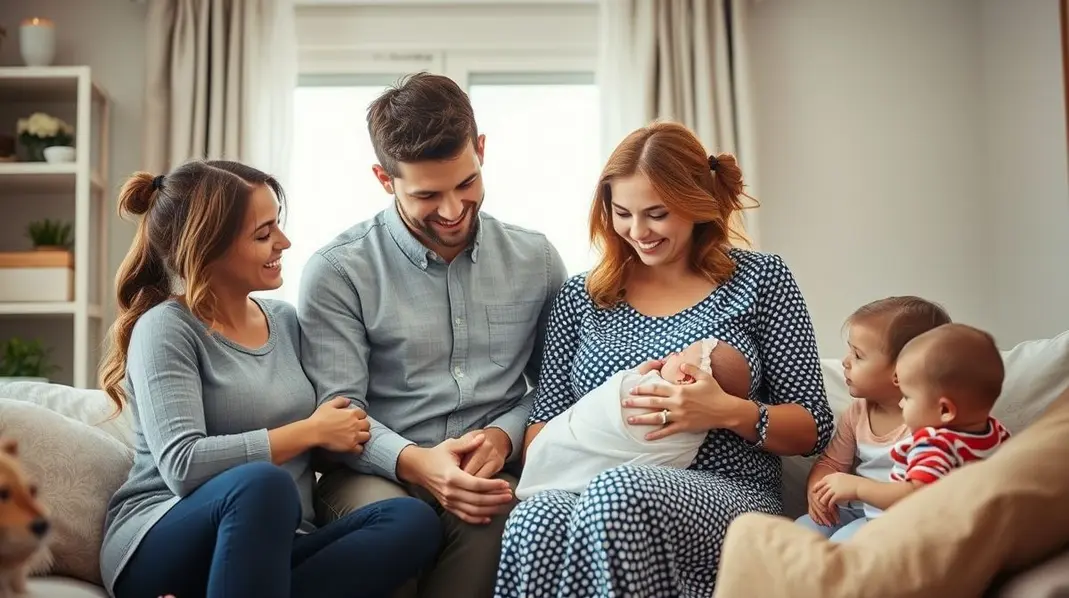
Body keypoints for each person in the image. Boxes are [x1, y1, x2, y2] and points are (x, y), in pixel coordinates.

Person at [493, 121, 836, 597]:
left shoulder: (759, 280)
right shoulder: (581, 297)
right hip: (589, 482)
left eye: (657, 214)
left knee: (620, 493)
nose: (639, 232)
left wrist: (726, 411)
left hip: (727, 491)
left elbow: (812, 425)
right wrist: (610, 416)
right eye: (623, 213)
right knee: (536, 518)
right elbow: (541, 432)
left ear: (697, 205)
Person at [98, 160, 441, 598]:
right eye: (263, 234)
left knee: (410, 521)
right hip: (161, 538)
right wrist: (310, 430)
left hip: (277, 546)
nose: (284, 242)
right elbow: (183, 466)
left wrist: (415, 453)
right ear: (209, 248)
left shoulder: (287, 322)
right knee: (265, 483)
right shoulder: (166, 328)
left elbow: (334, 431)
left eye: (277, 225)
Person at [296, 72, 568, 598]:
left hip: (490, 476)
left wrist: (504, 436)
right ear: (384, 178)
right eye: (427, 194)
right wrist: (417, 462)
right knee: (393, 529)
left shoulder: (538, 261)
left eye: (466, 184)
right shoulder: (338, 271)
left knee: (495, 519)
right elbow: (340, 414)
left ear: (481, 150)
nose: (451, 211)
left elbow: (556, 389)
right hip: (377, 476)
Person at [515, 336, 751, 499]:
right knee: (537, 518)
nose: (670, 355)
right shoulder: (693, 439)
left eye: (679, 354)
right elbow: (551, 399)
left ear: (687, 379)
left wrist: (636, 374)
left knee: (615, 495)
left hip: (696, 490)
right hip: (570, 470)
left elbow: (621, 390)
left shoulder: (651, 385)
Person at [812, 323, 1012, 513]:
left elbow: (914, 498)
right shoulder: (998, 433)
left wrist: (857, 488)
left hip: (899, 526)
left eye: (907, 397)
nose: (901, 404)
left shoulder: (937, 445)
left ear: (944, 410)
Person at [797, 296, 951, 542]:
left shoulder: (931, 424)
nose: (845, 362)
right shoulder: (858, 412)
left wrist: (856, 488)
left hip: (905, 520)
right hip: (861, 510)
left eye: (858, 356)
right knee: (800, 532)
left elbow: (923, 495)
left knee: (843, 545)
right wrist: (818, 490)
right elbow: (832, 464)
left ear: (901, 373)